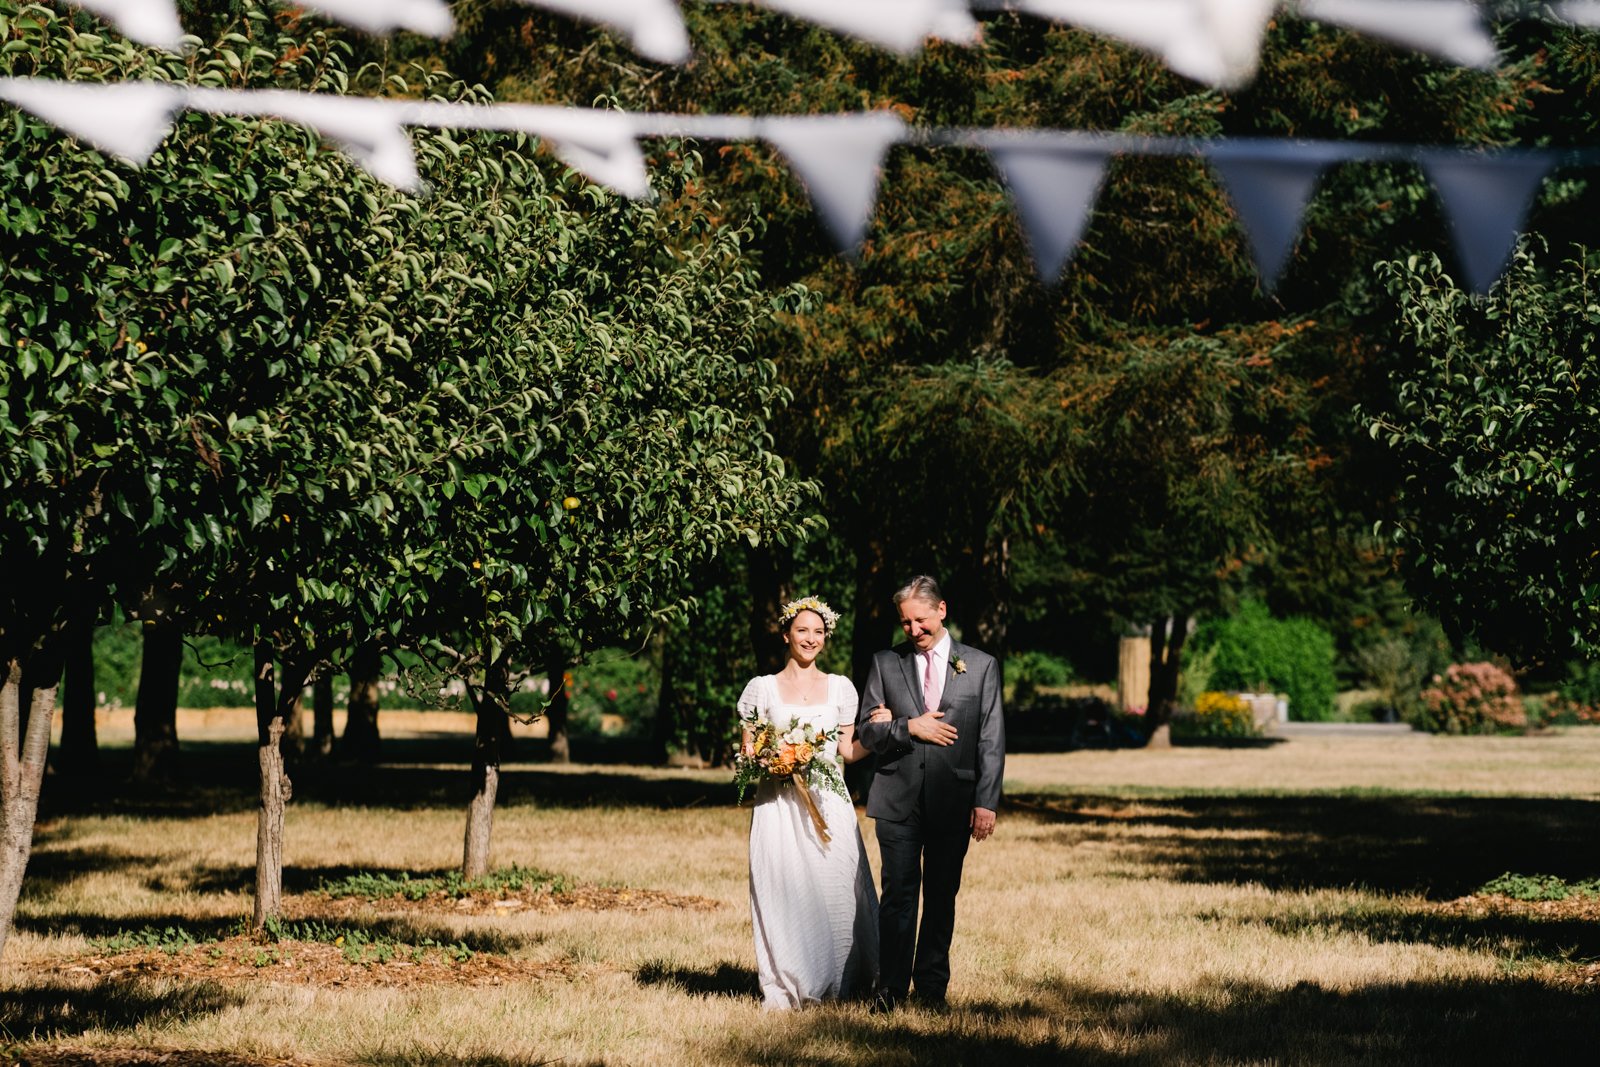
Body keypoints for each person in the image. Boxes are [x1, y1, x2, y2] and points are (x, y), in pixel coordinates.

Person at [855, 575, 1005, 1011]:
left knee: (941, 897)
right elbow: (866, 731)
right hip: (896, 798)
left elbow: (990, 739)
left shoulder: (980, 665)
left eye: (920, 621)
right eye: (905, 624)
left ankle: (932, 989)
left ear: (941, 610)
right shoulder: (885, 663)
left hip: (953, 800)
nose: (914, 631)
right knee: (897, 897)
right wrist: (907, 727)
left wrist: (985, 801)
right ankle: (890, 990)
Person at [738, 595, 887, 1010]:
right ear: (786, 634)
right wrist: (774, 761)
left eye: (818, 632)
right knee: (781, 888)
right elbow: (748, 752)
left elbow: (848, 751)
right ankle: (788, 980)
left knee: (837, 889)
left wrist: (878, 733)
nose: (811, 638)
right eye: (802, 630)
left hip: (830, 804)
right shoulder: (761, 689)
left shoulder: (840, 688)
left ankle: (844, 979)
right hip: (778, 808)